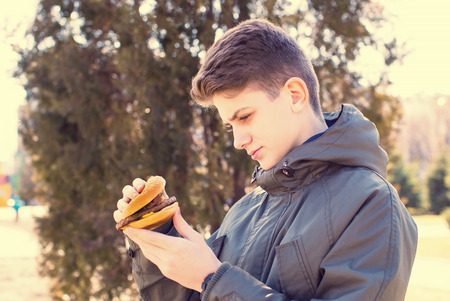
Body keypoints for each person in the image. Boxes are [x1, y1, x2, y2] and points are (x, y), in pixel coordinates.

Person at [113, 19, 418, 300]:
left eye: (245, 116)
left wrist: (212, 279)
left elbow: (211, 284)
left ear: (295, 95)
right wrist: (156, 233)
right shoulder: (247, 208)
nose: (237, 141)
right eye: (231, 126)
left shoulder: (372, 205)